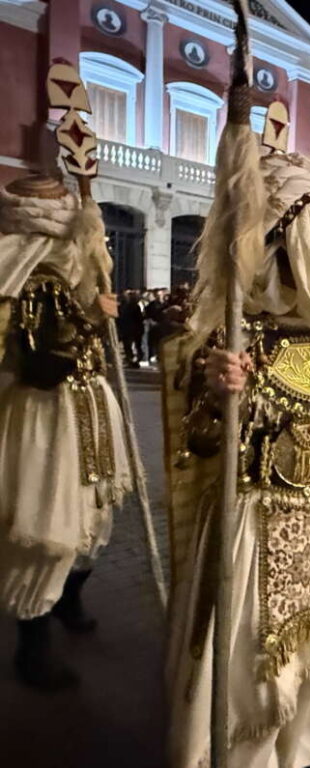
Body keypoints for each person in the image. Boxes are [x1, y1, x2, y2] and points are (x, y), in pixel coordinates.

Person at [165, 148, 310, 768]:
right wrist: (214, 391)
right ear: (287, 243)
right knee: (250, 689)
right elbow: (199, 447)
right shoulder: (234, 338)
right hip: (254, 537)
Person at [0, 174, 130, 690]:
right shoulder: (22, 268)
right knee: (48, 528)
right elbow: (41, 364)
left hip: (89, 408)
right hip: (44, 415)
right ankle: (31, 645)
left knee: (94, 516)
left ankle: (69, 598)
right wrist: (93, 319)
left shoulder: (79, 261)